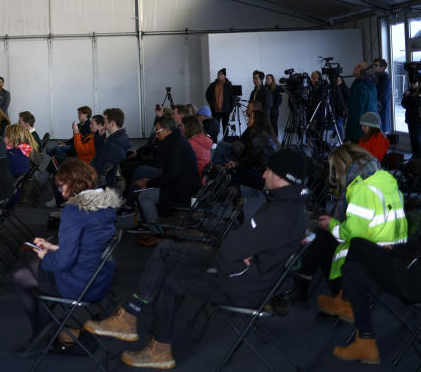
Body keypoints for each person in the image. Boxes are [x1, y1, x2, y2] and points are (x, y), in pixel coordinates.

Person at [85, 150, 309, 369]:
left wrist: (240, 249)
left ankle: (160, 350)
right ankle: (130, 315)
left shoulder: (280, 214)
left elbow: (231, 248)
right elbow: (236, 245)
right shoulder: (287, 206)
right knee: (167, 248)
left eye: (268, 170)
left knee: (170, 279)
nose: (263, 175)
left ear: (281, 177)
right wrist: (242, 249)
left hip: (242, 285)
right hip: (239, 269)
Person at [14, 159, 119, 354]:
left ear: (74, 184)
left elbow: (64, 262)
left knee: (23, 276)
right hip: (99, 278)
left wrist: (46, 255)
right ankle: (51, 329)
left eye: (62, 186)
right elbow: (86, 246)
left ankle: (40, 337)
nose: (60, 191)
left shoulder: (74, 210)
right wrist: (53, 247)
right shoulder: (105, 206)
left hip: (79, 284)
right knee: (31, 267)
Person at [301, 145, 407, 322]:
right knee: (323, 236)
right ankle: (306, 286)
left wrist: (331, 224)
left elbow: (349, 233)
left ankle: (343, 299)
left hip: (376, 256)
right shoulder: (384, 178)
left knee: (324, 240)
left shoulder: (361, 188)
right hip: (395, 249)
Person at [332, 237, 421, 364]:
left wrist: (394, 250)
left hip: (407, 282)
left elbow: (414, 254)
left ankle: (345, 302)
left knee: (356, 244)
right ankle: (365, 341)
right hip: (408, 277)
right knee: (351, 270)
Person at [133, 115, 200, 245]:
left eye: (158, 131)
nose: (156, 135)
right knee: (145, 187)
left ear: (167, 131)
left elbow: (170, 177)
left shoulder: (176, 146)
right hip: (182, 185)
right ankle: (152, 227)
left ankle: (158, 233)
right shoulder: (175, 141)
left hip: (183, 191)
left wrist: (148, 182)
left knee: (144, 196)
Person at [91, 108, 131, 186]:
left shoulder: (113, 145)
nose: (104, 125)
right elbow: (100, 152)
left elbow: (98, 165)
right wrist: (100, 136)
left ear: (112, 123)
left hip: (101, 184)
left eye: (105, 122)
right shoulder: (119, 138)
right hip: (103, 179)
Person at [346, 63, 378, 143]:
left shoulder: (360, 86)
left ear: (363, 71)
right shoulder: (371, 84)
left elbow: (356, 110)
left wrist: (350, 132)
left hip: (360, 130)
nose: (355, 67)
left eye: (358, 66)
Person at [182, 115, 212, 182]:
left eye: (181, 126)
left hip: (187, 181)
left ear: (188, 128)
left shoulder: (190, 144)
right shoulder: (203, 140)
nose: (180, 128)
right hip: (199, 181)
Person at [205, 69, 234, 136]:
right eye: (218, 75)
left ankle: (225, 142)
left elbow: (232, 97)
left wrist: (231, 108)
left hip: (226, 110)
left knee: (225, 127)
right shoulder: (213, 85)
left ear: (224, 76)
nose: (219, 76)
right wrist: (211, 103)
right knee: (214, 127)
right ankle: (214, 142)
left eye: (221, 75)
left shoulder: (228, 85)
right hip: (215, 110)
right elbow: (207, 95)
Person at [403, 75, 421, 161]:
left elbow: (416, 103)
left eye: (414, 83)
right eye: (410, 83)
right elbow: (404, 104)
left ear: (418, 83)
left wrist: (409, 96)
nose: (412, 85)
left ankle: (418, 157)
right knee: (413, 138)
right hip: (410, 118)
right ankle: (415, 156)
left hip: (418, 119)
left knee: (417, 138)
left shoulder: (419, 92)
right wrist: (407, 96)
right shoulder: (408, 91)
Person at [373, 59, 392, 134]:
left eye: (376, 65)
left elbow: (383, 94)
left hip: (381, 107)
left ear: (382, 67)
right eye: (373, 65)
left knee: (381, 131)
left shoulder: (385, 78)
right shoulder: (376, 77)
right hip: (378, 107)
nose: (374, 67)